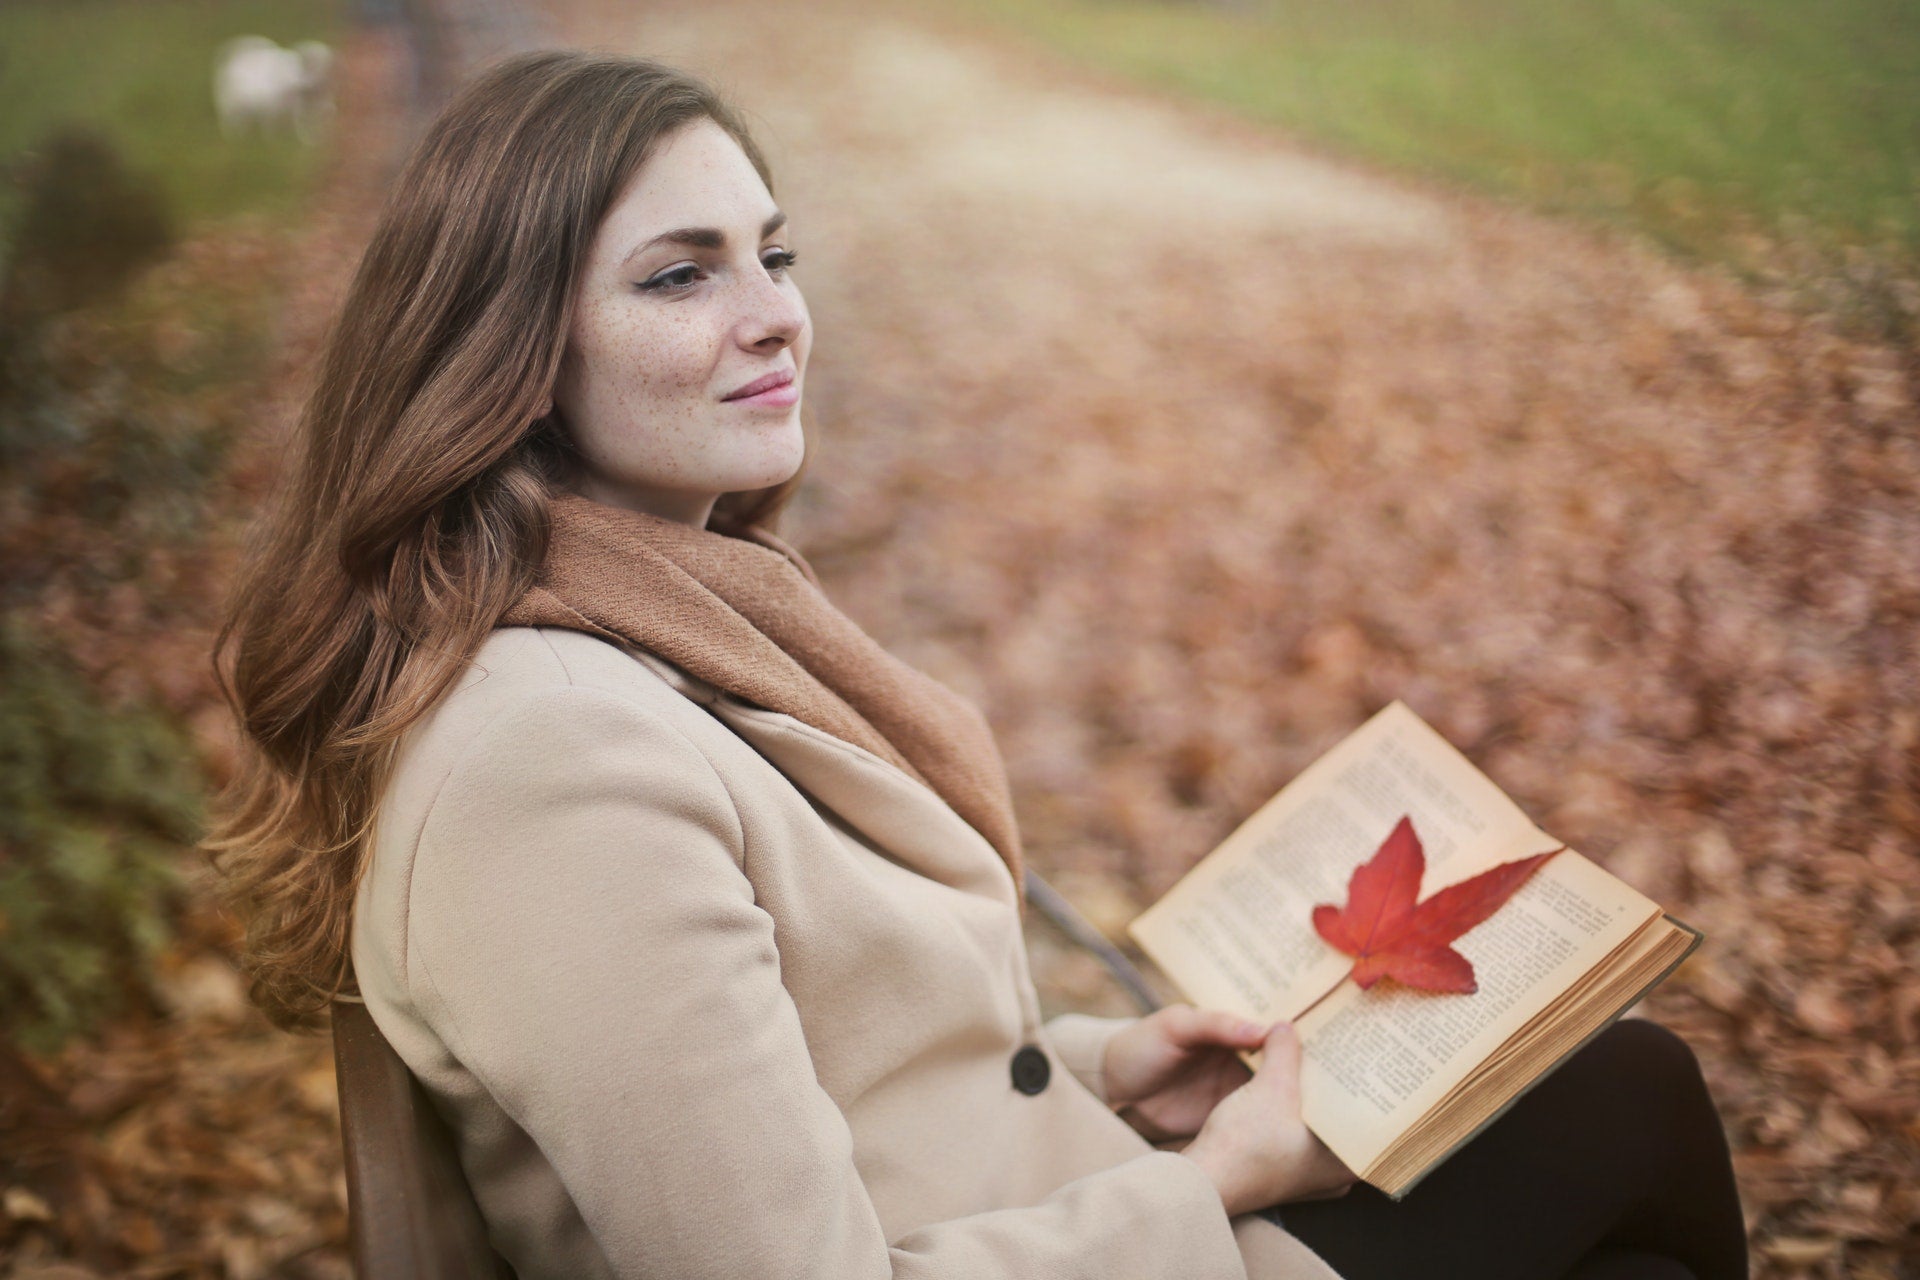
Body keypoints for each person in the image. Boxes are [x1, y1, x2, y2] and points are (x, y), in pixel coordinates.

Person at [206, 50, 1749, 1280]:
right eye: (681, 276)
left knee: (1616, 1154)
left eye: (773, 252)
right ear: (507, 355)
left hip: (1038, 1201)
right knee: (1634, 1102)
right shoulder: (544, 766)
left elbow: (815, 1065)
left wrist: (1098, 1067)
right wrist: (1220, 1179)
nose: (777, 318)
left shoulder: (656, 618)